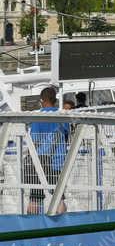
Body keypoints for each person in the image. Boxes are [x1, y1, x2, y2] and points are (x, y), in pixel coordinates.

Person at [25, 86, 69, 214]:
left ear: (42, 100)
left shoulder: (38, 117)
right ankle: (62, 225)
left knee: (35, 198)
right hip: (57, 161)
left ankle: (33, 225)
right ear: (55, 100)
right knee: (59, 198)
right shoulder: (63, 116)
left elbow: (34, 141)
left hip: (40, 161)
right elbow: (66, 137)